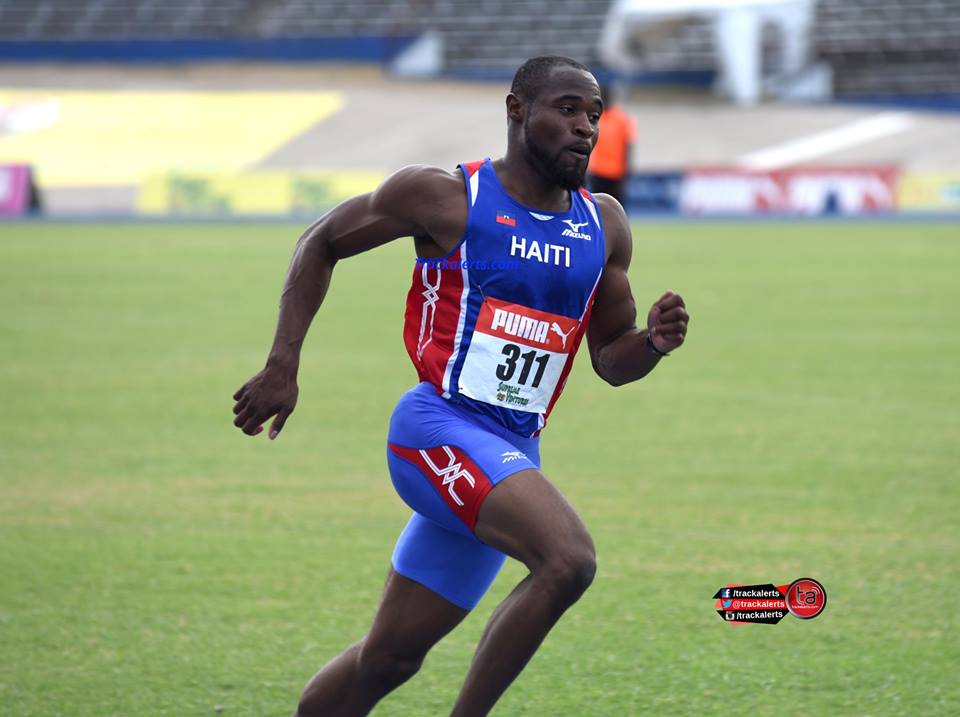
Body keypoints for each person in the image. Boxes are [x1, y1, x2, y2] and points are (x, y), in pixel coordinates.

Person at [232, 56, 689, 717]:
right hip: (435, 431)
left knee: (388, 658)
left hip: (509, 456)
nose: (585, 127)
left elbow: (610, 360)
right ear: (516, 111)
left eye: (594, 114)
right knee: (568, 559)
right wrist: (283, 364)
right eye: (566, 109)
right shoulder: (447, 198)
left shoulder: (604, 225)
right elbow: (322, 239)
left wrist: (650, 342)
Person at [586, 83, 638, 207]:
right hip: (598, 172)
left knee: (617, 209)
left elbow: (628, 146)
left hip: (616, 173)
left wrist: (626, 173)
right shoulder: (596, 117)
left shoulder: (622, 118)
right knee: (597, 209)